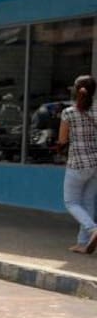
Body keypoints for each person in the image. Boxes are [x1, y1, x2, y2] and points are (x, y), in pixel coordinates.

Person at [59, 74, 97, 254]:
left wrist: (60, 147)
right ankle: (83, 243)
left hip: (77, 163)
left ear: (76, 90)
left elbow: (62, 139)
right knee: (88, 201)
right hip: (95, 164)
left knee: (71, 201)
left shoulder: (68, 112)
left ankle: (92, 229)